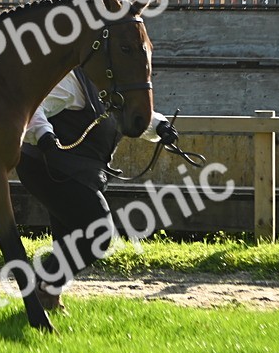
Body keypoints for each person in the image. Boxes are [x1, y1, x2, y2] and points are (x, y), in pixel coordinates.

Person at [17, 66, 179, 310]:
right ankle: (44, 288)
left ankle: (46, 298)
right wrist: (43, 133)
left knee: (70, 238)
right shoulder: (72, 80)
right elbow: (31, 107)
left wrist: (159, 126)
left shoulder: (112, 87)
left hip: (74, 169)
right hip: (47, 165)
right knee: (100, 233)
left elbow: (131, 114)